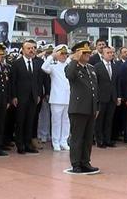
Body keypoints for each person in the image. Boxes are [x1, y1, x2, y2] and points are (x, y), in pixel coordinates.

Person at [65, 42, 99, 173]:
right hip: (78, 108)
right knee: (77, 138)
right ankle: (76, 163)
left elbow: (95, 88)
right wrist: (74, 59)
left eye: (89, 52)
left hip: (90, 108)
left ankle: (85, 161)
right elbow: (69, 75)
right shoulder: (72, 67)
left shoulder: (90, 68)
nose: (88, 55)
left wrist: (96, 106)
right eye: (84, 53)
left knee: (88, 137)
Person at [10, 40, 44, 155]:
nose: (32, 50)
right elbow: (13, 81)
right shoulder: (16, 63)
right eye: (29, 48)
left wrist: (39, 94)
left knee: (30, 121)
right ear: (23, 50)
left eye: (33, 48)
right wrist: (14, 96)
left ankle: (28, 144)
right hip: (20, 97)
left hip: (33, 97)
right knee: (20, 121)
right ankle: (20, 145)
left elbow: (39, 81)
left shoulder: (37, 63)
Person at [41, 44, 71, 151]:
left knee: (66, 121)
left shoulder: (69, 64)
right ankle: (56, 142)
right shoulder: (53, 66)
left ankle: (64, 141)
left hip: (68, 98)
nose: (64, 56)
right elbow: (44, 67)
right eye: (61, 54)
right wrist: (51, 56)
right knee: (56, 121)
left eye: (65, 54)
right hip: (57, 98)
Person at [94, 46, 120, 148]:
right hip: (101, 97)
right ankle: (99, 140)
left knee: (109, 120)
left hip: (112, 97)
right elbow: (95, 83)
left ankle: (107, 139)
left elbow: (117, 82)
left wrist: (118, 96)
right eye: (108, 53)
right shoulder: (97, 66)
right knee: (100, 120)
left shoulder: (115, 66)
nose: (110, 54)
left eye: (111, 53)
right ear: (103, 54)